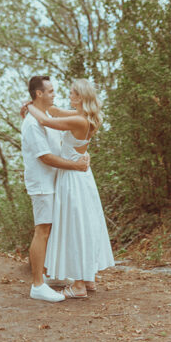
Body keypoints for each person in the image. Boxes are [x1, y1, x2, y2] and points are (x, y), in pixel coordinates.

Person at [27, 78, 114, 299]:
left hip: (73, 177)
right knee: (85, 224)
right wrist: (41, 105)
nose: (68, 95)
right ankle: (88, 278)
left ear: (81, 97)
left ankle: (78, 286)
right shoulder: (84, 118)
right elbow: (54, 110)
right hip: (81, 177)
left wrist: (29, 106)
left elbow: (47, 121)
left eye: (72, 93)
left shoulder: (78, 120)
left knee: (76, 227)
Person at [21, 75, 90, 302]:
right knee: (42, 231)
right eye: (50, 91)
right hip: (42, 183)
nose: (55, 94)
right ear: (39, 93)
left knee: (50, 230)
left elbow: (58, 132)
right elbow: (46, 158)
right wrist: (76, 166)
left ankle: (45, 276)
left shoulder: (45, 116)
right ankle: (37, 285)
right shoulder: (32, 123)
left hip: (53, 182)